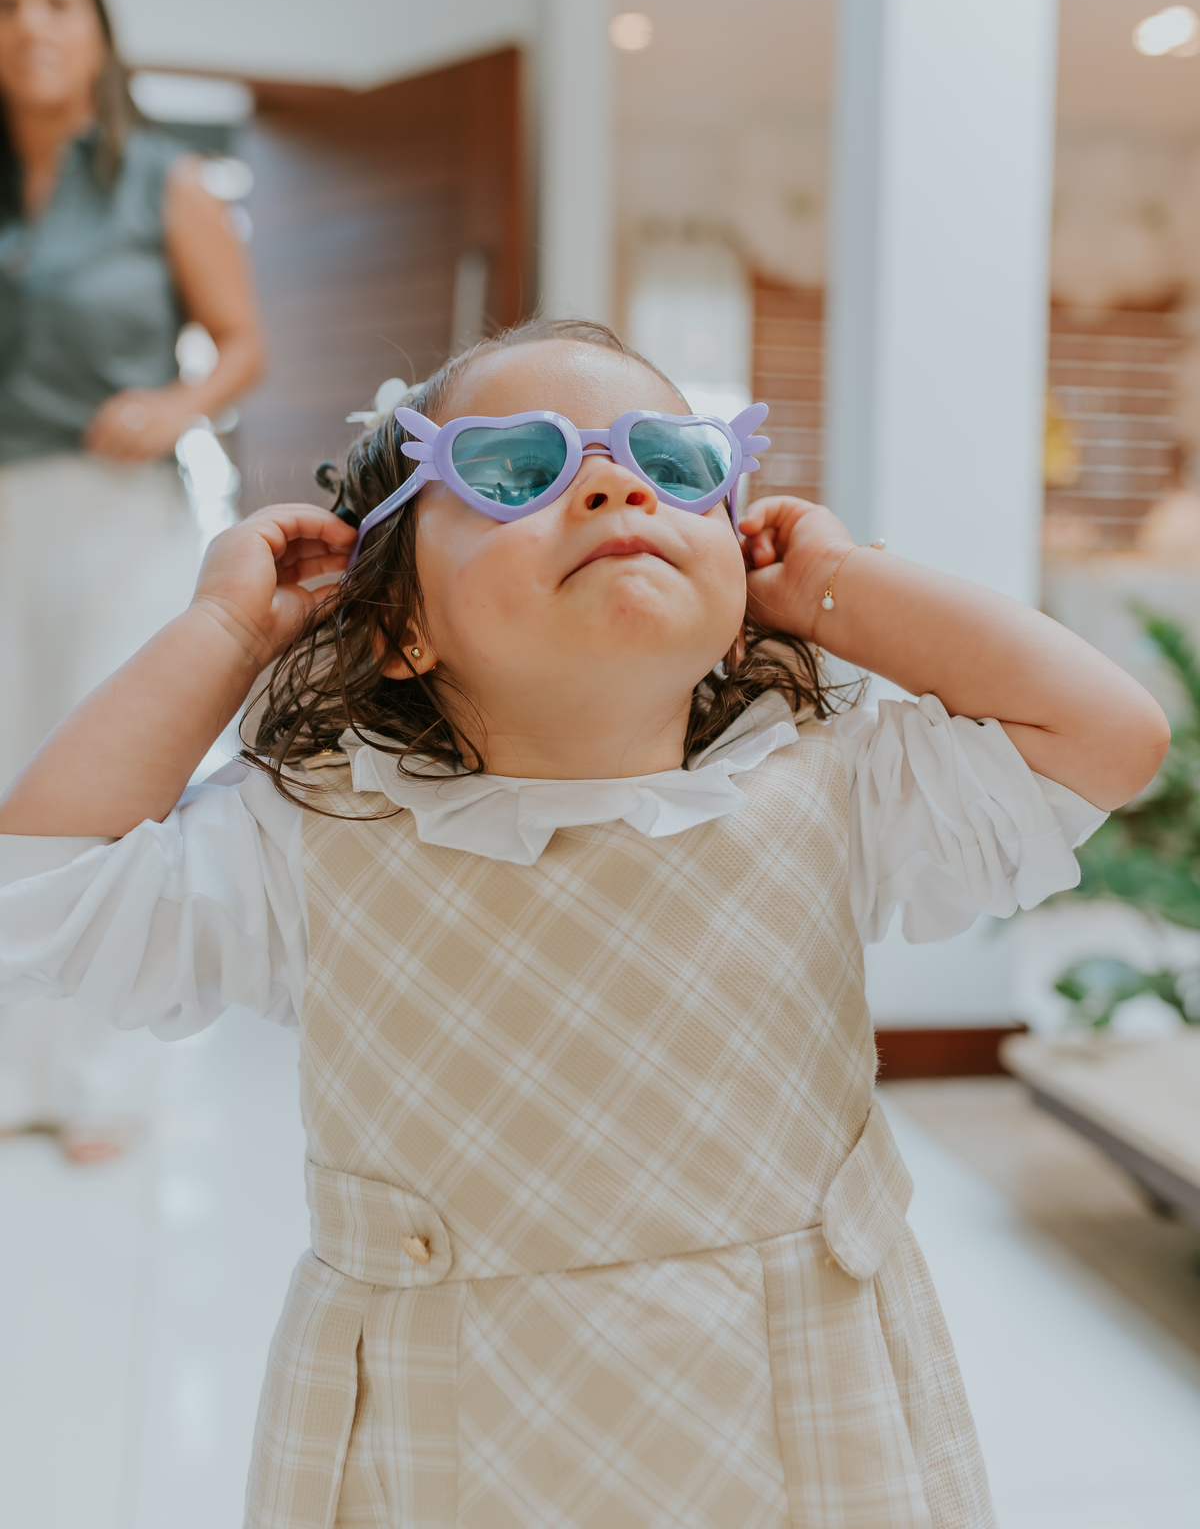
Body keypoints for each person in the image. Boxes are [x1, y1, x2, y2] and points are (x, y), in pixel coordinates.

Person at [0, 319, 1168, 1525]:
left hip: (808, 1430)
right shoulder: (311, 839)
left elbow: (1106, 736)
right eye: (515, 470)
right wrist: (227, 634)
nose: (616, 485)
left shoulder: (833, 790)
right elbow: (36, 891)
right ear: (400, 622)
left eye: (672, 464)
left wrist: (834, 585)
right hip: (450, 1444)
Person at [0, 0, 264, 1158]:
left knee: (99, 791)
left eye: (56, 1)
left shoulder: (165, 181)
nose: (31, 24)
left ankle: (104, 1073)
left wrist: (174, 405)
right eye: (6, 4)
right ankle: (17, 1070)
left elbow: (243, 343)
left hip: (120, 514)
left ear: (97, 31)